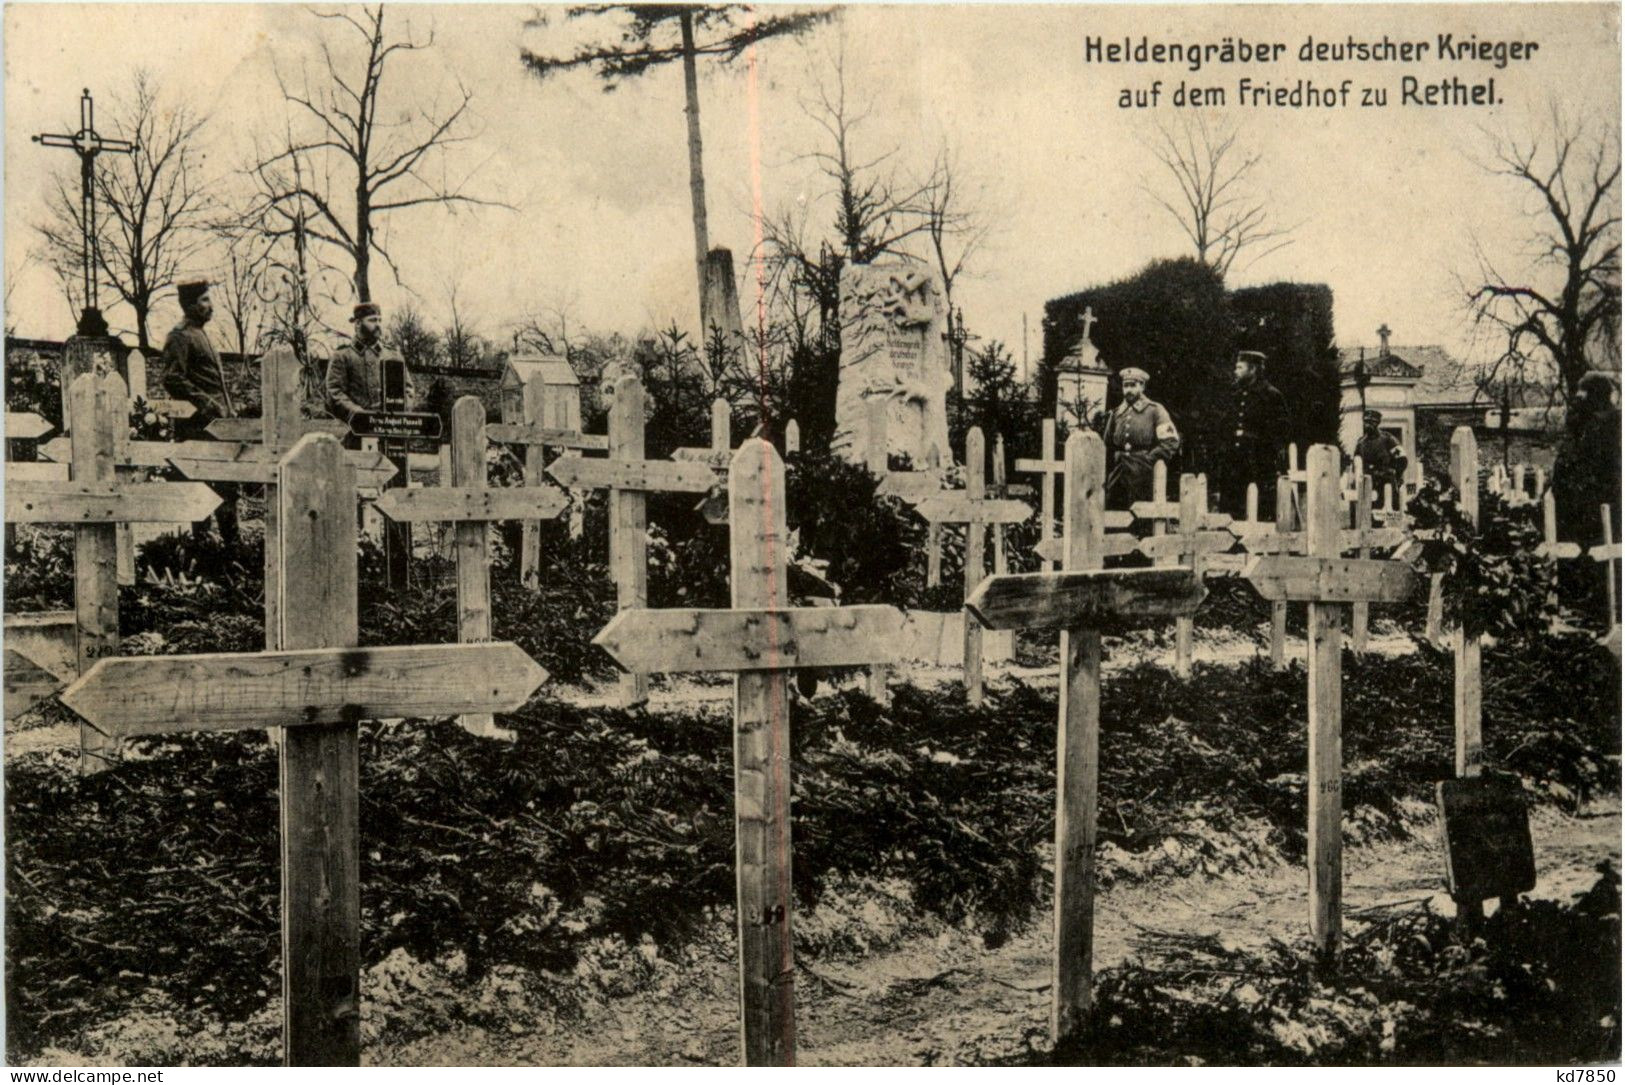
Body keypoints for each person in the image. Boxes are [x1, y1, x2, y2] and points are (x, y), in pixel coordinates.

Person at [160, 279, 238, 546]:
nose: (210, 305)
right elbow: (172, 378)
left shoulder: (202, 335)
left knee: (227, 488)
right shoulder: (179, 336)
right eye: (204, 300)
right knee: (202, 490)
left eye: (209, 299)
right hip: (199, 428)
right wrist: (206, 404)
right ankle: (203, 548)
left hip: (220, 427)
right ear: (190, 304)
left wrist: (228, 412)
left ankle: (232, 548)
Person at [325, 301, 413, 446]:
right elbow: (335, 392)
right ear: (358, 323)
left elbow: (408, 390)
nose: (378, 324)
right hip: (355, 433)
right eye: (372, 320)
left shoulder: (393, 355)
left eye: (379, 320)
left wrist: (398, 415)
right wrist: (359, 415)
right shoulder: (343, 355)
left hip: (391, 433)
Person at [1551, 371, 1621, 549]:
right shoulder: (1582, 428)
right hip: (1582, 515)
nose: (1576, 405)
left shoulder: (1603, 428)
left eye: (1582, 399)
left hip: (1594, 515)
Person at [1097, 366, 1180, 509]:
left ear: (1142, 386)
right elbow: (1107, 445)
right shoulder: (1116, 413)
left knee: (1142, 515)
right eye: (1125, 385)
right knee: (1113, 513)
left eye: (1133, 385)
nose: (1128, 390)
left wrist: (1149, 459)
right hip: (1118, 472)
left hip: (1143, 474)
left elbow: (1170, 441)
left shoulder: (1155, 410)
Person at [1223, 349, 1287, 519]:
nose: (1235, 372)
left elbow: (1280, 431)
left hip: (1259, 462)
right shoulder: (1234, 394)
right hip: (1236, 462)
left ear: (1253, 370)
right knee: (1233, 508)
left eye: (1240, 367)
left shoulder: (1271, 395)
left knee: (1260, 508)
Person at [1353, 409, 1409, 505]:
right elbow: (1356, 462)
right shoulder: (1361, 443)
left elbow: (1402, 460)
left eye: (1372, 422)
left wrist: (1396, 475)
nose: (1368, 425)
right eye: (1366, 422)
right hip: (1367, 484)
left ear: (1377, 423)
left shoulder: (1388, 439)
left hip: (1386, 483)